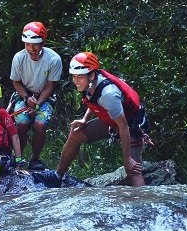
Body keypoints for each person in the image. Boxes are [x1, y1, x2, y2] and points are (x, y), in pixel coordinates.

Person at [34, 52, 148, 188]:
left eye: (80, 77)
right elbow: (93, 101)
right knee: (76, 134)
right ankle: (57, 176)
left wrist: (127, 158)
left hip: (131, 126)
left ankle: (142, 205)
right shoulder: (88, 84)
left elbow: (123, 127)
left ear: (92, 75)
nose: (76, 81)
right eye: (74, 77)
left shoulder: (109, 94)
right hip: (114, 121)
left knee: (132, 169)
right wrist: (84, 120)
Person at [9, 21, 63, 171]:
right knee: (22, 123)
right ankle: (17, 157)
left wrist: (37, 104)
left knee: (40, 124)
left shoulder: (53, 59)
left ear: (43, 43)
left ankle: (35, 158)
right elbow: (16, 82)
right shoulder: (19, 58)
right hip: (23, 95)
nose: (31, 49)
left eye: (35, 45)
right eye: (27, 44)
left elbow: (50, 85)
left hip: (44, 97)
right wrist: (27, 98)